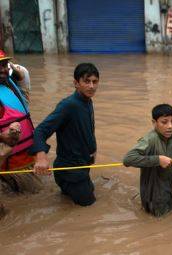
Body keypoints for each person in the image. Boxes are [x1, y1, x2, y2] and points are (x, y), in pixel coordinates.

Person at [30, 63, 99, 206]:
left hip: (81, 166)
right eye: (86, 81)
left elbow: (85, 130)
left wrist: (93, 150)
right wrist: (41, 158)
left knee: (83, 195)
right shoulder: (68, 105)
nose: (91, 86)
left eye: (95, 81)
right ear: (76, 83)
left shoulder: (87, 101)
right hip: (70, 169)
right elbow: (40, 131)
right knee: (89, 206)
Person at [123, 104, 172, 217]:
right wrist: (157, 159)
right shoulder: (150, 139)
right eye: (164, 122)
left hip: (167, 195)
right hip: (153, 199)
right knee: (158, 224)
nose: (170, 126)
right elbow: (128, 159)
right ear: (154, 122)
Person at [0, 50, 40, 193]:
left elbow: (22, 73)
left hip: (27, 158)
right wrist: (3, 136)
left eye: (4, 65)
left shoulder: (10, 84)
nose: (3, 70)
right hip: (10, 167)